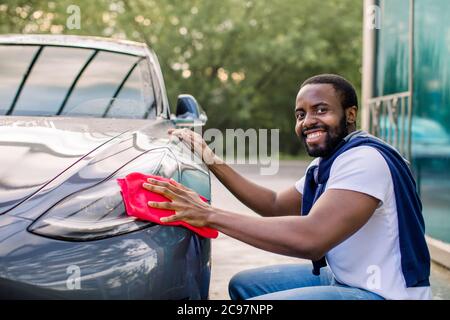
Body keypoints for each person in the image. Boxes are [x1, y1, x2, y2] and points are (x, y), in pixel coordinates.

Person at [142, 74, 432, 300]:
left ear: (350, 114)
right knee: (245, 285)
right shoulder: (329, 160)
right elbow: (274, 205)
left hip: (381, 292)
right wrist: (210, 158)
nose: (308, 121)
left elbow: (312, 238)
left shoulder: (365, 160)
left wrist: (208, 214)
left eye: (321, 110)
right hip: (349, 278)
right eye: (300, 114)